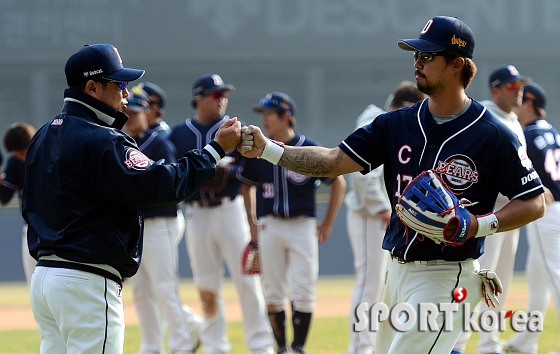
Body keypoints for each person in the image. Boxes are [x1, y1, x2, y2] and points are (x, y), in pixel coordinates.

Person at [238, 16, 545, 354]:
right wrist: (267, 149)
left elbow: (534, 201)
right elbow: (331, 161)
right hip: (395, 273)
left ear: (457, 64)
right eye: (416, 54)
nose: (417, 62)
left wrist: (477, 225)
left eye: (428, 56)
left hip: (447, 276)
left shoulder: (493, 134)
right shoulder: (393, 124)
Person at [22, 44, 242, 354]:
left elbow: (29, 207)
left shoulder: (43, 135)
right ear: (92, 87)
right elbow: (160, 186)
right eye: (120, 84)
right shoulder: (102, 138)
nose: (127, 93)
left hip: (45, 278)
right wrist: (214, 151)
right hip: (86, 281)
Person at [168, 73, 274, 354]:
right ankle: (215, 346)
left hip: (230, 210)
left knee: (247, 281)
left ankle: (261, 345)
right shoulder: (178, 134)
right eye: (216, 95)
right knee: (206, 284)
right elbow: (174, 173)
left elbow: (251, 171)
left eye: (224, 94)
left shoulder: (234, 129)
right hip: (196, 212)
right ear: (199, 98)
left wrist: (230, 171)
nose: (222, 99)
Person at [239, 92, 346, 354]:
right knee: (273, 291)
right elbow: (246, 184)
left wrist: (328, 223)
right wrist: (252, 221)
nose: (263, 119)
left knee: (304, 288)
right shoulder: (258, 150)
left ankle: (298, 347)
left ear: (286, 116)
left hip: (302, 225)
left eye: (268, 113)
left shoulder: (306, 147)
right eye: (262, 114)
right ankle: (281, 347)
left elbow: (338, 182)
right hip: (270, 225)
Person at [452, 64, 531, 354]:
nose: (518, 90)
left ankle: (489, 344)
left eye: (520, 85)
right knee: (477, 281)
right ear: (494, 90)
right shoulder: (483, 119)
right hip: (489, 216)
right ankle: (456, 344)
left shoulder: (512, 120)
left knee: (501, 282)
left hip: (512, 214)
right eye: (512, 86)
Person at [345, 81, 425, 354]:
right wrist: (382, 208)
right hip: (369, 215)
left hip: (382, 214)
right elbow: (362, 173)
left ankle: (370, 345)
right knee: (370, 284)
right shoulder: (376, 120)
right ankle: (360, 348)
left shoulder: (388, 122)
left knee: (382, 286)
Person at [123, 88, 203, 354]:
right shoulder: (121, 143)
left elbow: (170, 186)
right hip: (136, 225)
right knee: (141, 292)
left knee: (165, 288)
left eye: (135, 112)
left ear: (147, 113)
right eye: (126, 112)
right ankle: (151, 346)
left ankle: (182, 345)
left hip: (160, 223)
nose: (130, 117)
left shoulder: (158, 143)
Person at [503, 83, 560, 354]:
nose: (514, 104)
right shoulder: (554, 134)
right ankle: (525, 342)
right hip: (557, 208)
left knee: (555, 276)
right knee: (537, 278)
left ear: (528, 103)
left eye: (519, 99)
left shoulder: (525, 135)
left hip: (546, 213)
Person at [1, 122, 37, 286]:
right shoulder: (15, 163)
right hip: (31, 227)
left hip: (60, 227)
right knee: (34, 284)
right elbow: (4, 197)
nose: (22, 157)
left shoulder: (50, 155)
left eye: (22, 152)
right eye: (17, 154)